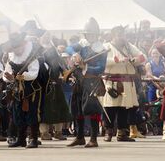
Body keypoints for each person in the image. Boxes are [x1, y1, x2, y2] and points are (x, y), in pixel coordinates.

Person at [67, 17, 107, 148]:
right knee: (77, 109)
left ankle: (94, 138)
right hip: (79, 80)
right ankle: (79, 137)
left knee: (92, 110)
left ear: (96, 34)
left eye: (91, 34)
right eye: (88, 34)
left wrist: (85, 67)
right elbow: (68, 48)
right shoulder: (82, 44)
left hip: (92, 81)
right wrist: (74, 55)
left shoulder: (102, 49)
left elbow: (101, 68)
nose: (89, 36)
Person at [101, 26, 145, 142]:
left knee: (124, 109)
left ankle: (122, 133)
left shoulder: (129, 46)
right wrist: (116, 61)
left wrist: (133, 60)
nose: (121, 37)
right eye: (118, 34)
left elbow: (142, 57)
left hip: (126, 81)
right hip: (112, 81)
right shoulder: (106, 47)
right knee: (110, 108)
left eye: (122, 34)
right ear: (113, 35)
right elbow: (101, 61)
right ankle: (108, 132)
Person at [2, 32, 42, 148]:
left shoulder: (31, 56)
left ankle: (34, 139)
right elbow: (6, 73)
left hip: (31, 89)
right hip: (16, 90)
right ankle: (21, 139)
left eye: (18, 46)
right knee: (17, 114)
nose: (17, 49)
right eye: (14, 47)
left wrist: (22, 76)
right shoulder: (11, 57)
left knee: (32, 114)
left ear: (23, 44)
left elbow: (34, 73)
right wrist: (8, 78)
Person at [38, 34, 73, 141]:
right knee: (45, 111)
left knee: (60, 109)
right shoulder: (40, 55)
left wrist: (69, 74)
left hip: (57, 85)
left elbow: (64, 70)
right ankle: (44, 133)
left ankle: (58, 132)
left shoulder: (56, 55)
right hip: (44, 87)